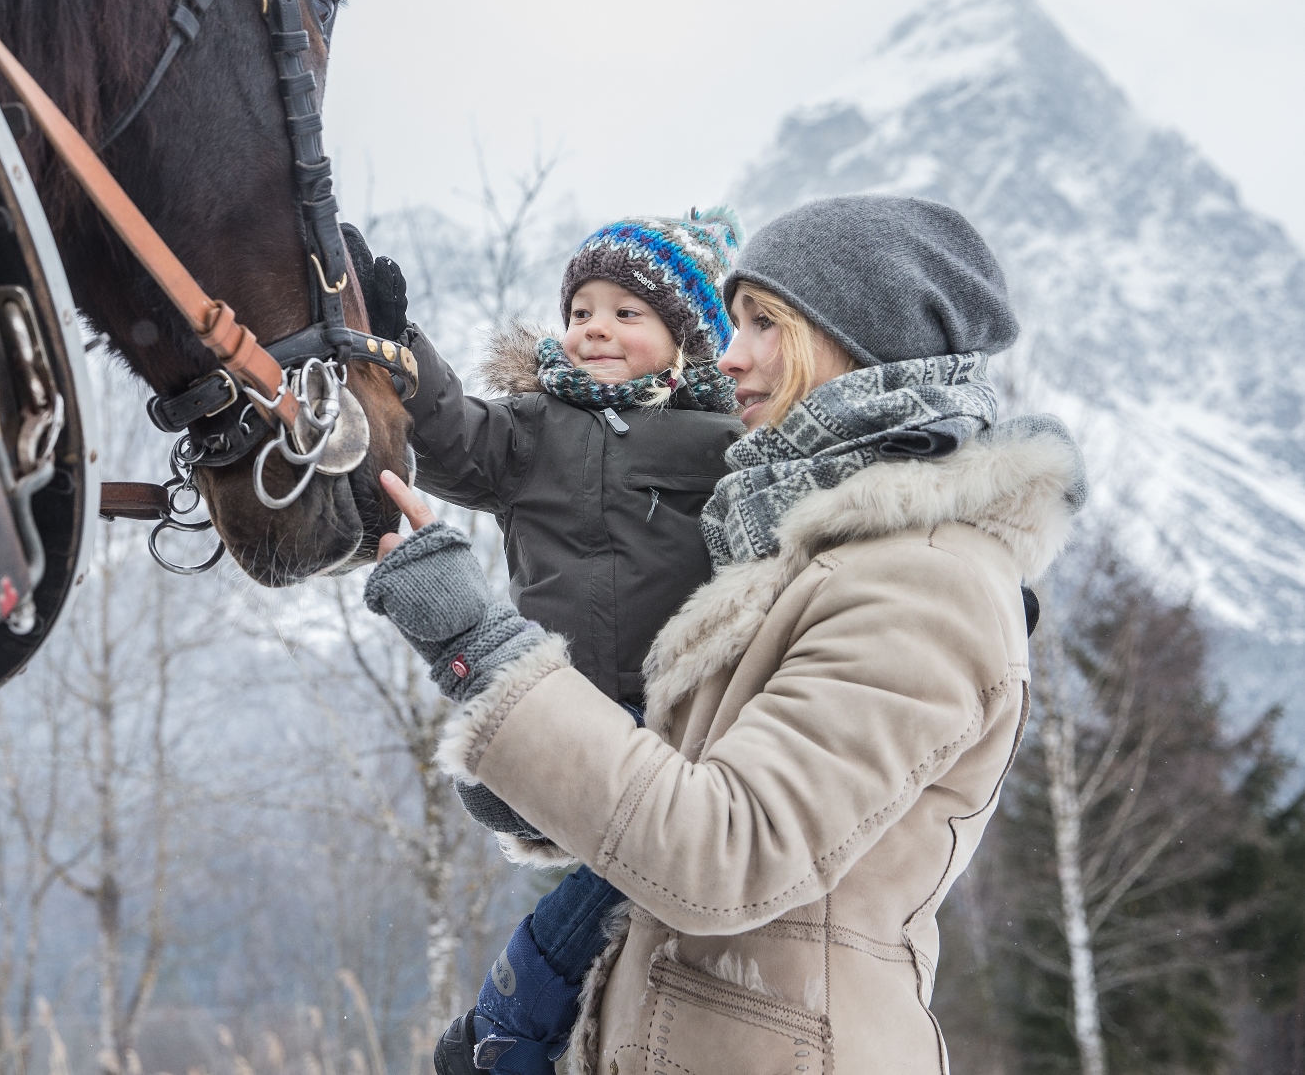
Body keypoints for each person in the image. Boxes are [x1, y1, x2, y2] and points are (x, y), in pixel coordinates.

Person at [364, 194, 1085, 1075]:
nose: (730, 355)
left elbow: (721, 853)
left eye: (762, 324)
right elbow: (664, 808)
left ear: (854, 340)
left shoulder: (921, 578)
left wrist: (477, 640)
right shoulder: (790, 548)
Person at [388, 212, 745, 1075]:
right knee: (648, 860)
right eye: (582, 308)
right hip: (552, 709)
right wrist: (396, 347)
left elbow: (809, 518)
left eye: (628, 313)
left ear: (686, 340)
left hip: (676, 714)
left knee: (661, 870)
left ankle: (525, 1035)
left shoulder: (726, 446)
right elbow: (444, 433)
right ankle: (514, 1024)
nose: (596, 327)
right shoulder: (530, 428)